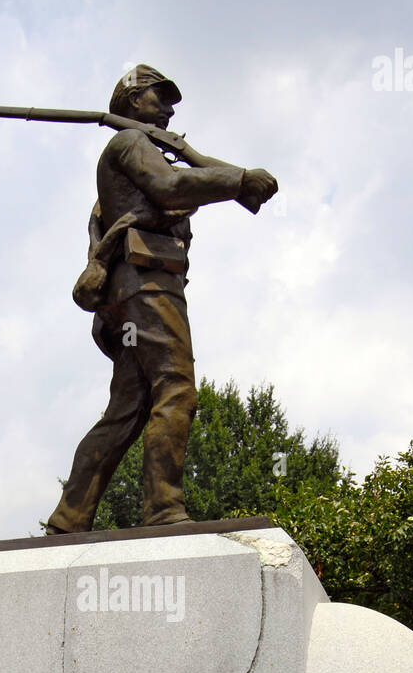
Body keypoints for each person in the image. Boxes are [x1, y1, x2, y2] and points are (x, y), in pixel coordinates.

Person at [46, 65, 278, 533]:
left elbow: (175, 182)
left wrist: (195, 157)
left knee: (126, 411)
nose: (170, 108)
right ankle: (164, 510)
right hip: (148, 282)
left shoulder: (138, 154)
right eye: (159, 98)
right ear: (132, 102)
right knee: (176, 387)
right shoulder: (130, 144)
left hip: (133, 290)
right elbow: (170, 188)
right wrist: (238, 182)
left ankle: (70, 518)